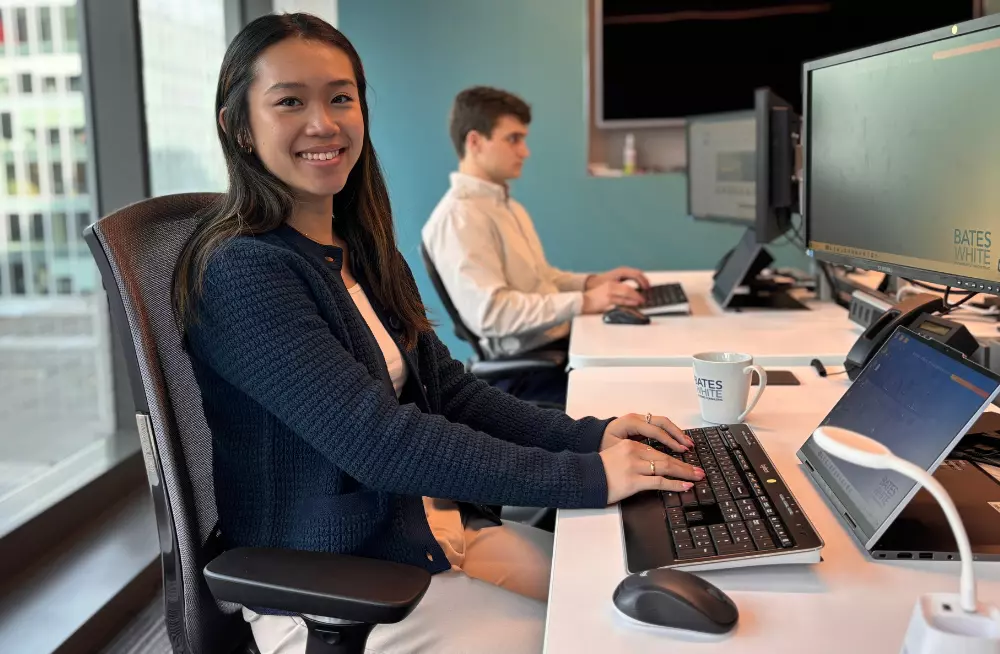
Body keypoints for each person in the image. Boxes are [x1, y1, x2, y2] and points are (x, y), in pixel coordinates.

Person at [174, 14, 702, 654]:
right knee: (606, 635)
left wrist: (592, 435)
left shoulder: (361, 251)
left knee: (634, 590)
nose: (324, 123)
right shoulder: (242, 270)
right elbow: (378, 442)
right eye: (290, 101)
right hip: (340, 581)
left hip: (426, 531)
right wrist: (588, 475)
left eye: (341, 98)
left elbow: (452, 393)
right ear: (239, 126)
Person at [421, 86, 651, 403]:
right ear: (474, 142)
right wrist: (584, 301)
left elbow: (542, 279)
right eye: (513, 139)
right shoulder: (459, 219)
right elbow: (493, 313)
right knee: (640, 392)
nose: (525, 151)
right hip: (526, 375)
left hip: (555, 350)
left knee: (645, 364)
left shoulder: (507, 206)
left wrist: (594, 283)